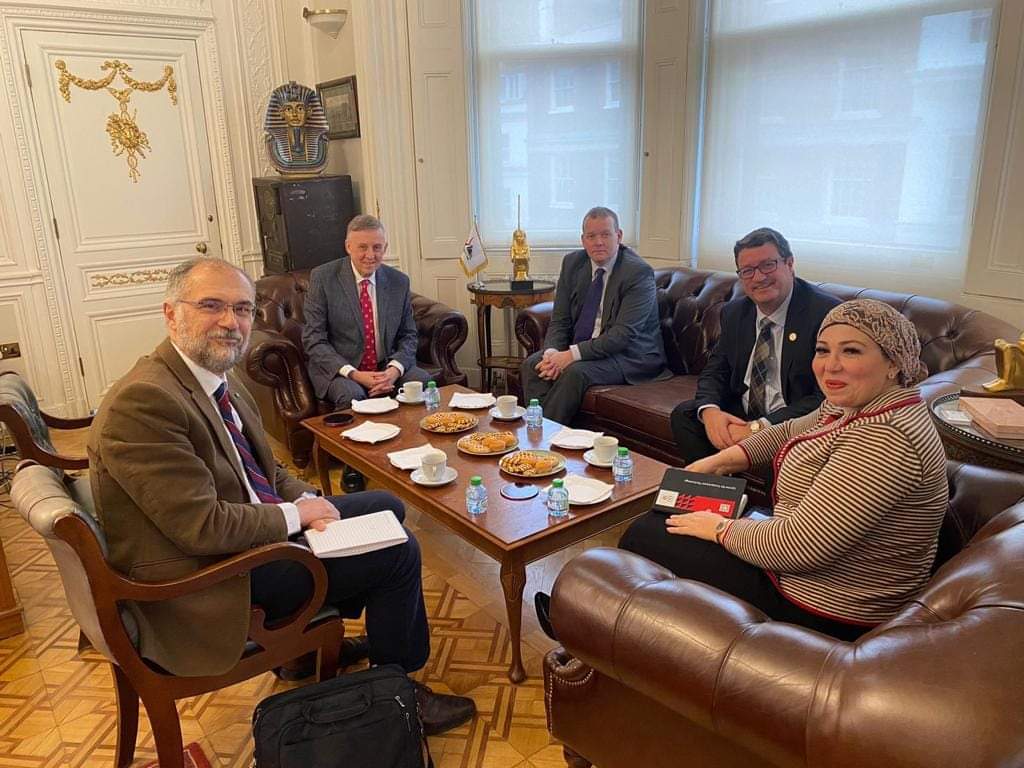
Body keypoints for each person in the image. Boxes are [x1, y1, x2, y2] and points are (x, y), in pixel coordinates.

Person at [88, 257, 474, 735]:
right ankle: (397, 694)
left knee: (388, 507)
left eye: (242, 309)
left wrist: (311, 502)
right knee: (397, 550)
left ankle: (301, 652)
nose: (230, 322)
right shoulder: (145, 402)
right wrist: (296, 517)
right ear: (171, 313)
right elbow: (201, 528)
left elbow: (267, 471)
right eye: (211, 306)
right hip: (211, 580)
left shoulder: (209, 378)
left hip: (243, 541)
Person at [618, 299, 948, 640]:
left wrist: (719, 528)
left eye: (851, 351)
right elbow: (788, 430)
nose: (831, 366)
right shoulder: (857, 405)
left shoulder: (885, 440)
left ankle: (639, 642)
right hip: (808, 563)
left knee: (646, 533)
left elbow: (798, 546)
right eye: (823, 350)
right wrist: (718, 462)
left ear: (894, 362)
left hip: (829, 601)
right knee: (669, 515)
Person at [670, 227, 840, 464]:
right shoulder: (735, 312)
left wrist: (761, 427)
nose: (759, 278)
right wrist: (710, 411)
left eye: (768, 265)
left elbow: (825, 397)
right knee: (686, 415)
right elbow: (716, 370)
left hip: (793, 420)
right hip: (746, 411)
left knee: (789, 447)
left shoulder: (826, 315)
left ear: (789, 264)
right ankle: (716, 486)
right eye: (748, 271)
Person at [519, 206, 667, 425]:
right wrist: (551, 354)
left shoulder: (638, 272)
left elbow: (622, 336)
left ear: (619, 236)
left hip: (631, 356)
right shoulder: (573, 263)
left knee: (575, 372)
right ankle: (541, 432)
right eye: (591, 236)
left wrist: (570, 355)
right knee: (534, 364)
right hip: (589, 348)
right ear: (583, 240)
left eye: (605, 234)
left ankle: (540, 437)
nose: (598, 242)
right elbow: (560, 319)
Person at [302, 215, 431, 410]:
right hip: (342, 369)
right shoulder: (323, 278)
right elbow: (313, 339)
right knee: (352, 394)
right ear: (348, 247)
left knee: (421, 381)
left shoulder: (399, 281)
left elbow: (409, 335)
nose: (370, 255)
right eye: (362, 247)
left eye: (377, 247)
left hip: (385, 366)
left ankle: (409, 431)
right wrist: (354, 374)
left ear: (385, 248)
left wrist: (394, 370)